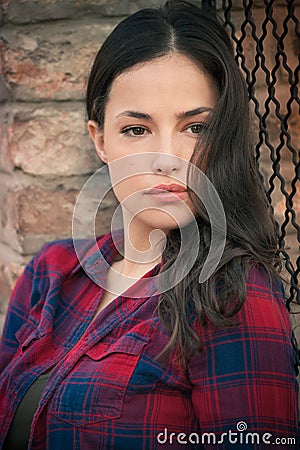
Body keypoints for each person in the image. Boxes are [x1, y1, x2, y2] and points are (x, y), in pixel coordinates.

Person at [0, 1, 298, 449]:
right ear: (100, 140)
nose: (168, 159)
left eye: (195, 128)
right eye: (137, 129)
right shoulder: (51, 270)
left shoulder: (233, 296)